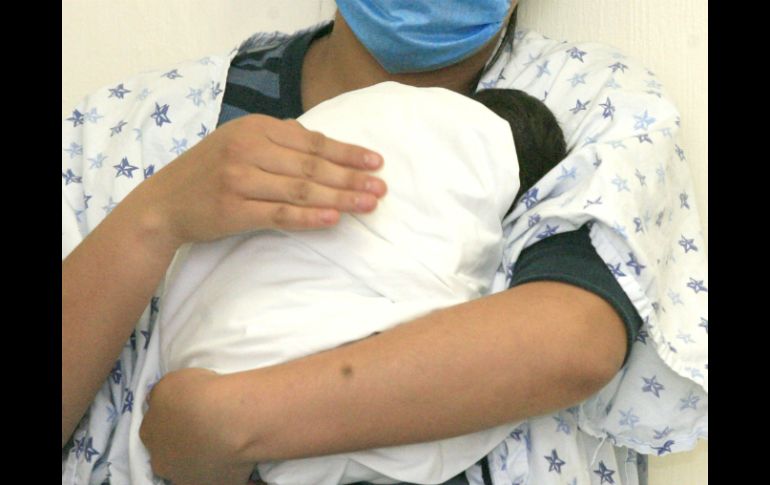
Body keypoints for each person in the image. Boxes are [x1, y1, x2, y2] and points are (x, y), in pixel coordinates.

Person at [62, 2, 707, 485]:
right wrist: (154, 219)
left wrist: (229, 420)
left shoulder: (583, 104)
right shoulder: (128, 130)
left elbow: (571, 341)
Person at [155, 82, 568, 485]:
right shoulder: (461, 146)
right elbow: (459, 306)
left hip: (191, 347)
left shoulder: (378, 103)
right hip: (234, 405)